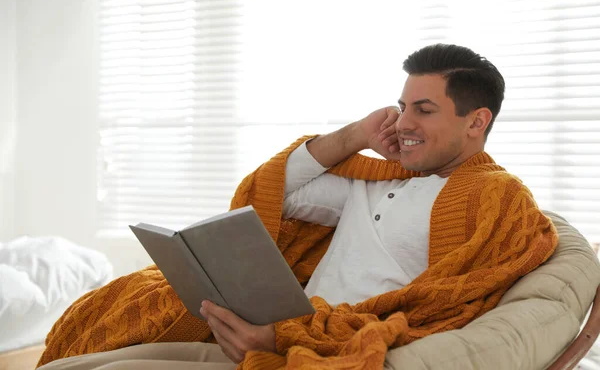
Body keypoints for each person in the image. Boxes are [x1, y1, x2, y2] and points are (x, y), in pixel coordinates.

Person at [38, 44, 556, 370]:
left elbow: (447, 303)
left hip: (306, 347)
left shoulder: (497, 197)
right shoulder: (374, 177)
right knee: (83, 361)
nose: (403, 122)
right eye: (401, 107)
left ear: (476, 122)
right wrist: (356, 134)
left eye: (424, 109)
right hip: (267, 330)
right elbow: (271, 194)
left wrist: (283, 339)